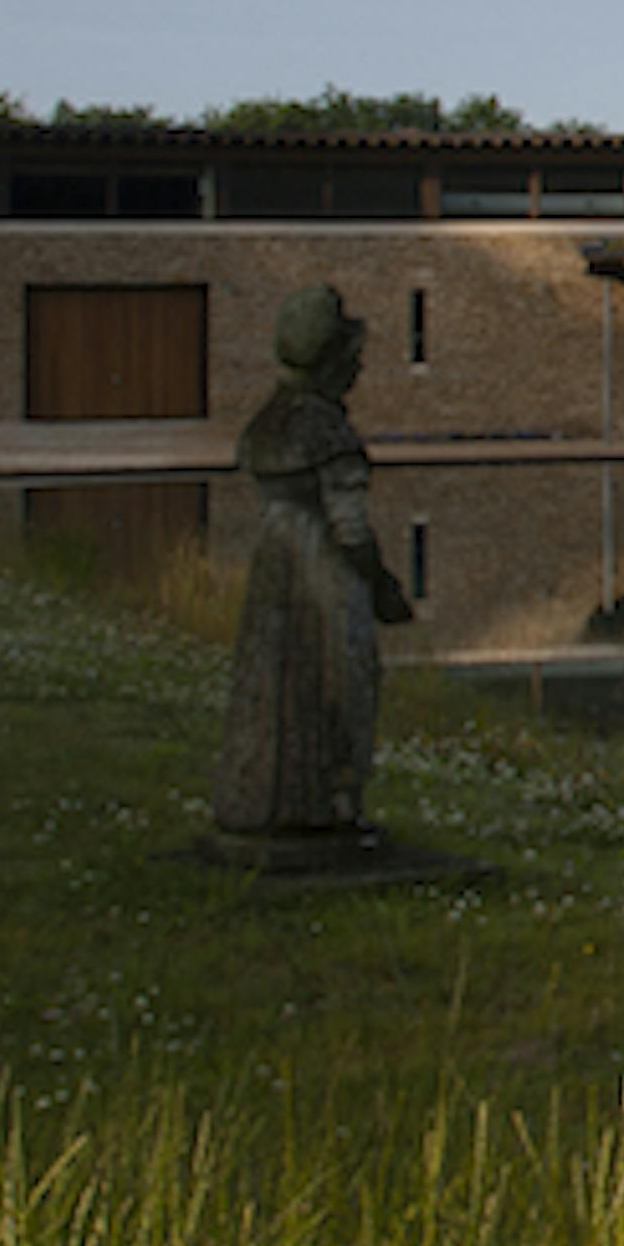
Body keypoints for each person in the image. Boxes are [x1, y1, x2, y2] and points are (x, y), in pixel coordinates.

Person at [210, 284, 414, 845]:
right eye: (354, 360)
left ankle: (262, 799)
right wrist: (384, 589)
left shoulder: (267, 426)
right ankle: (329, 805)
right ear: (334, 361)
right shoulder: (325, 432)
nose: (359, 371)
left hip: (274, 566)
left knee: (271, 682)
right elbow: (350, 530)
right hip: (322, 573)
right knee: (339, 682)